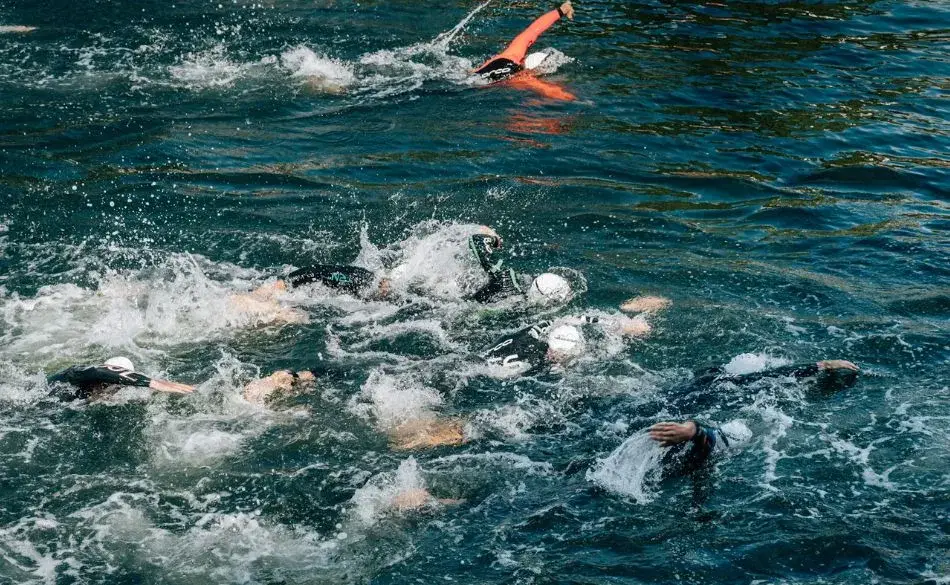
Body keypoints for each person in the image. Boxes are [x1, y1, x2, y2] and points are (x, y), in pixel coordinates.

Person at [479, 295, 671, 376]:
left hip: (480, 356)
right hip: (481, 369)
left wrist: (620, 325)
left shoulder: (536, 332)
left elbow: (572, 319)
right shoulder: (536, 363)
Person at [474, 2, 575, 83]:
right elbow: (551, 92)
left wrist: (561, 11)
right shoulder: (522, 78)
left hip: (476, 76)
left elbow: (534, 29)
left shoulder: (511, 54)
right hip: (480, 82)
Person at [47, 357, 194, 401]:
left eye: (117, 386)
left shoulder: (84, 395)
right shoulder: (75, 376)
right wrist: (152, 383)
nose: (108, 389)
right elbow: (99, 371)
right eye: (108, 383)